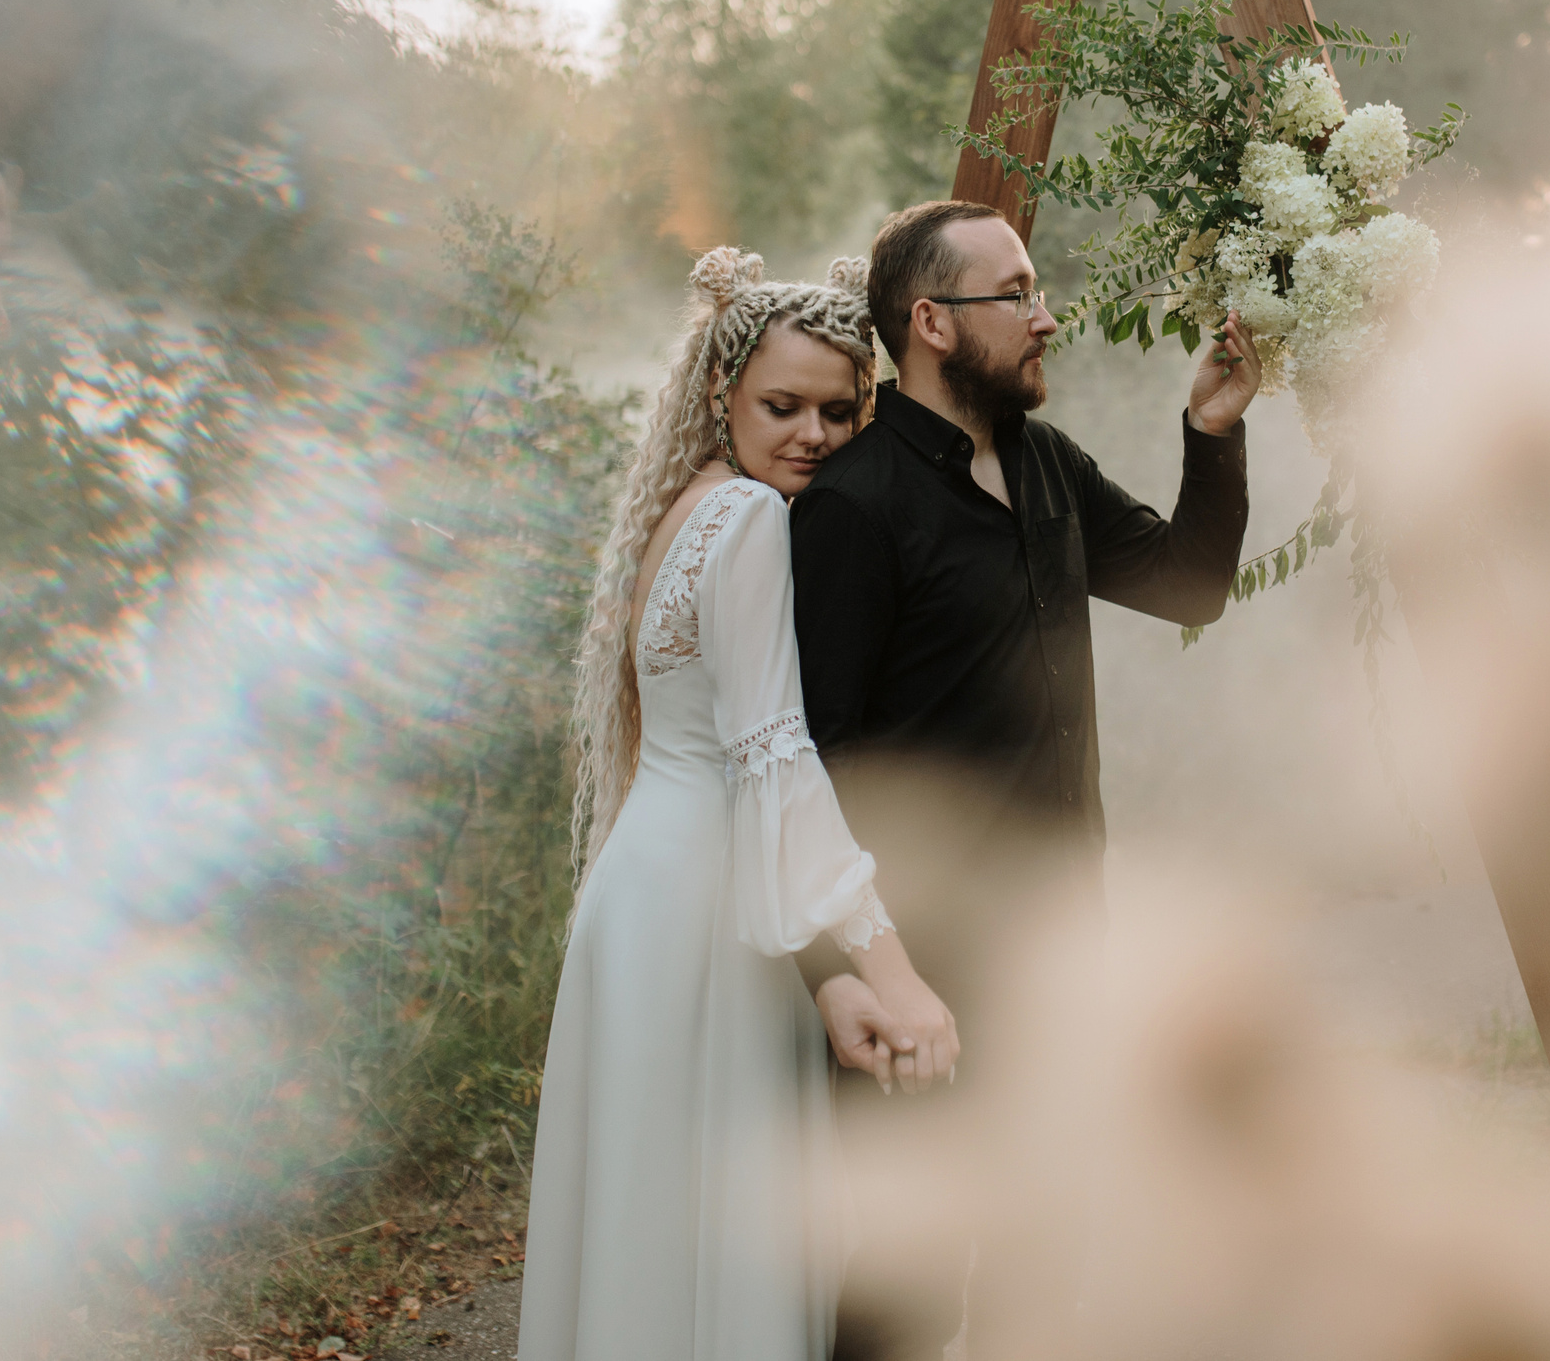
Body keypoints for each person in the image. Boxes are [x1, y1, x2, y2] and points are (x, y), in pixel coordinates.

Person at [790, 199, 1261, 1361]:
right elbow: (804, 760)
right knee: (903, 1285)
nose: (1045, 316)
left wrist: (1210, 428)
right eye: (1017, 294)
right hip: (925, 967)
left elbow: (1187, 584)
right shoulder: (852, 506)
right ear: (931, 322)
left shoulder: (1045, 462)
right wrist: (847, 970)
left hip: (1061, 946)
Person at [518, 248, 963, 1361]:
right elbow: (777, 758)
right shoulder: (755, 523)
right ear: (722, 395)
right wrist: (887, 967)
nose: (812, 434)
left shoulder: (686, 508)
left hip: (641, 887)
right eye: (782, 406)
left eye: (837, 410)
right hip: (707, 907)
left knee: (646, 1212)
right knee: (717, 1220)